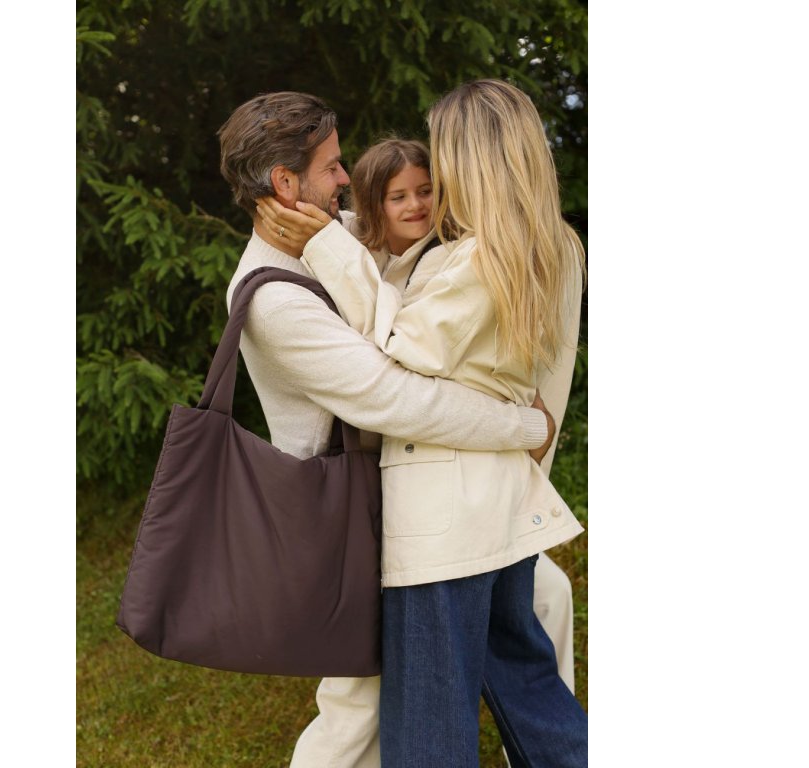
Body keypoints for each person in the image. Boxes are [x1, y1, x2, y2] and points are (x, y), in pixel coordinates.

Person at [216, 91, 562, 768]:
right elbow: (400, 398)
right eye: (332, 166)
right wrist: (522, 425)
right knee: (356, 710)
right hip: (351, 518)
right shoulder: (275, 298)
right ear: (286, 184)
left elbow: (390, 225)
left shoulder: (337, 232)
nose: (347, 178)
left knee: (545, 601)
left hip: (418, 494)